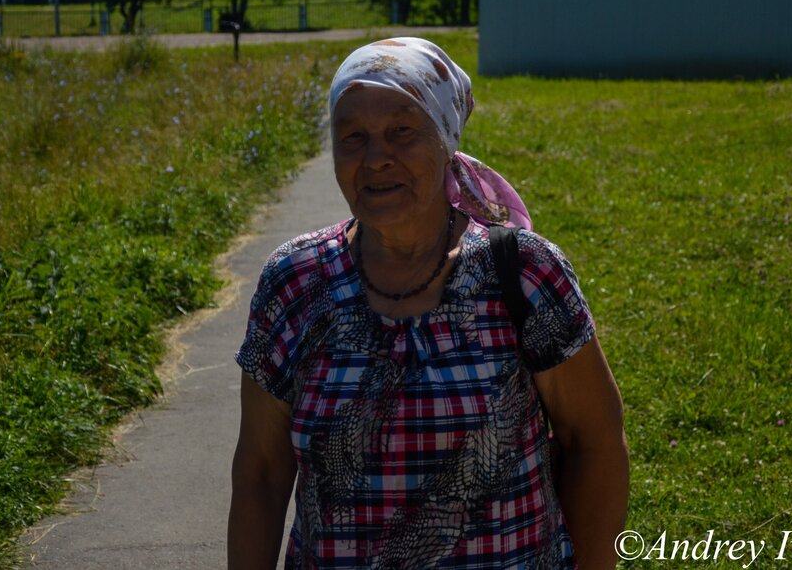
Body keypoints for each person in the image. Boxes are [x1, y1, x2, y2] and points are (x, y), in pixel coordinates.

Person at [229, 37, 629, 569]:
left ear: (445, 139)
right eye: (352, 136)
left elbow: (594, 442)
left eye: (401, 130)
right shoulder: (295, 282)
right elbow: (260, 470)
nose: (375, 158)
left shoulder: (525, 272)